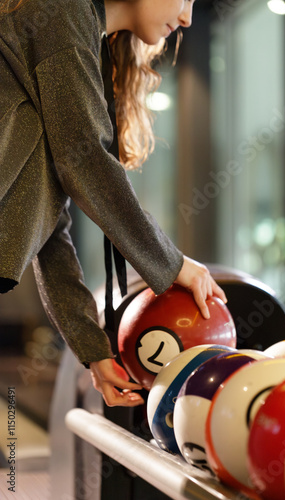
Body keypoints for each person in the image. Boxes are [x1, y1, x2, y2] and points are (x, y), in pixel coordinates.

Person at [0, 0, 227, 407]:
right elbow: (85, 162)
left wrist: (93, 348)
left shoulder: (79, 30)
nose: (189, 17)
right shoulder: (62, 10)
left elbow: (50, 225)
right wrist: (171, 262)